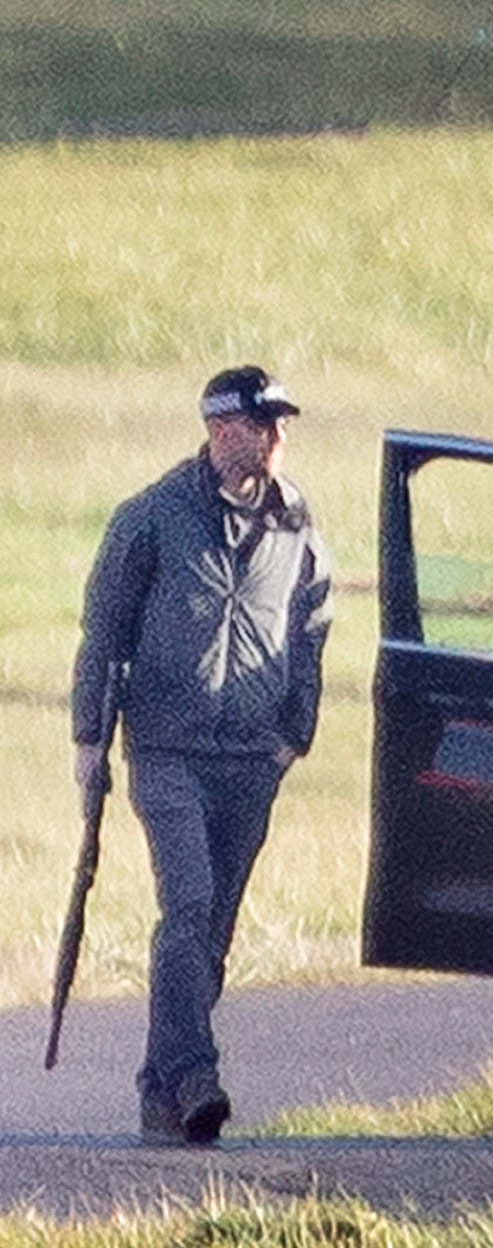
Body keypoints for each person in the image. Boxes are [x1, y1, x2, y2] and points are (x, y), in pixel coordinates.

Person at [72, 365, 333, 1146]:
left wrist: (295, 734)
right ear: (223, 431)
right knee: (185, 906)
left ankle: (163, 1093)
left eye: (281, 424)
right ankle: (195, 1076)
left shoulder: (297, 523)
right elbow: (104, 631)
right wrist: (90, 739)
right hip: (168, 750)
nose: (279, 438)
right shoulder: (151, 518)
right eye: (264, 424)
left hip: (252, 758)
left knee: (211, 930)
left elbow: (313, 629)